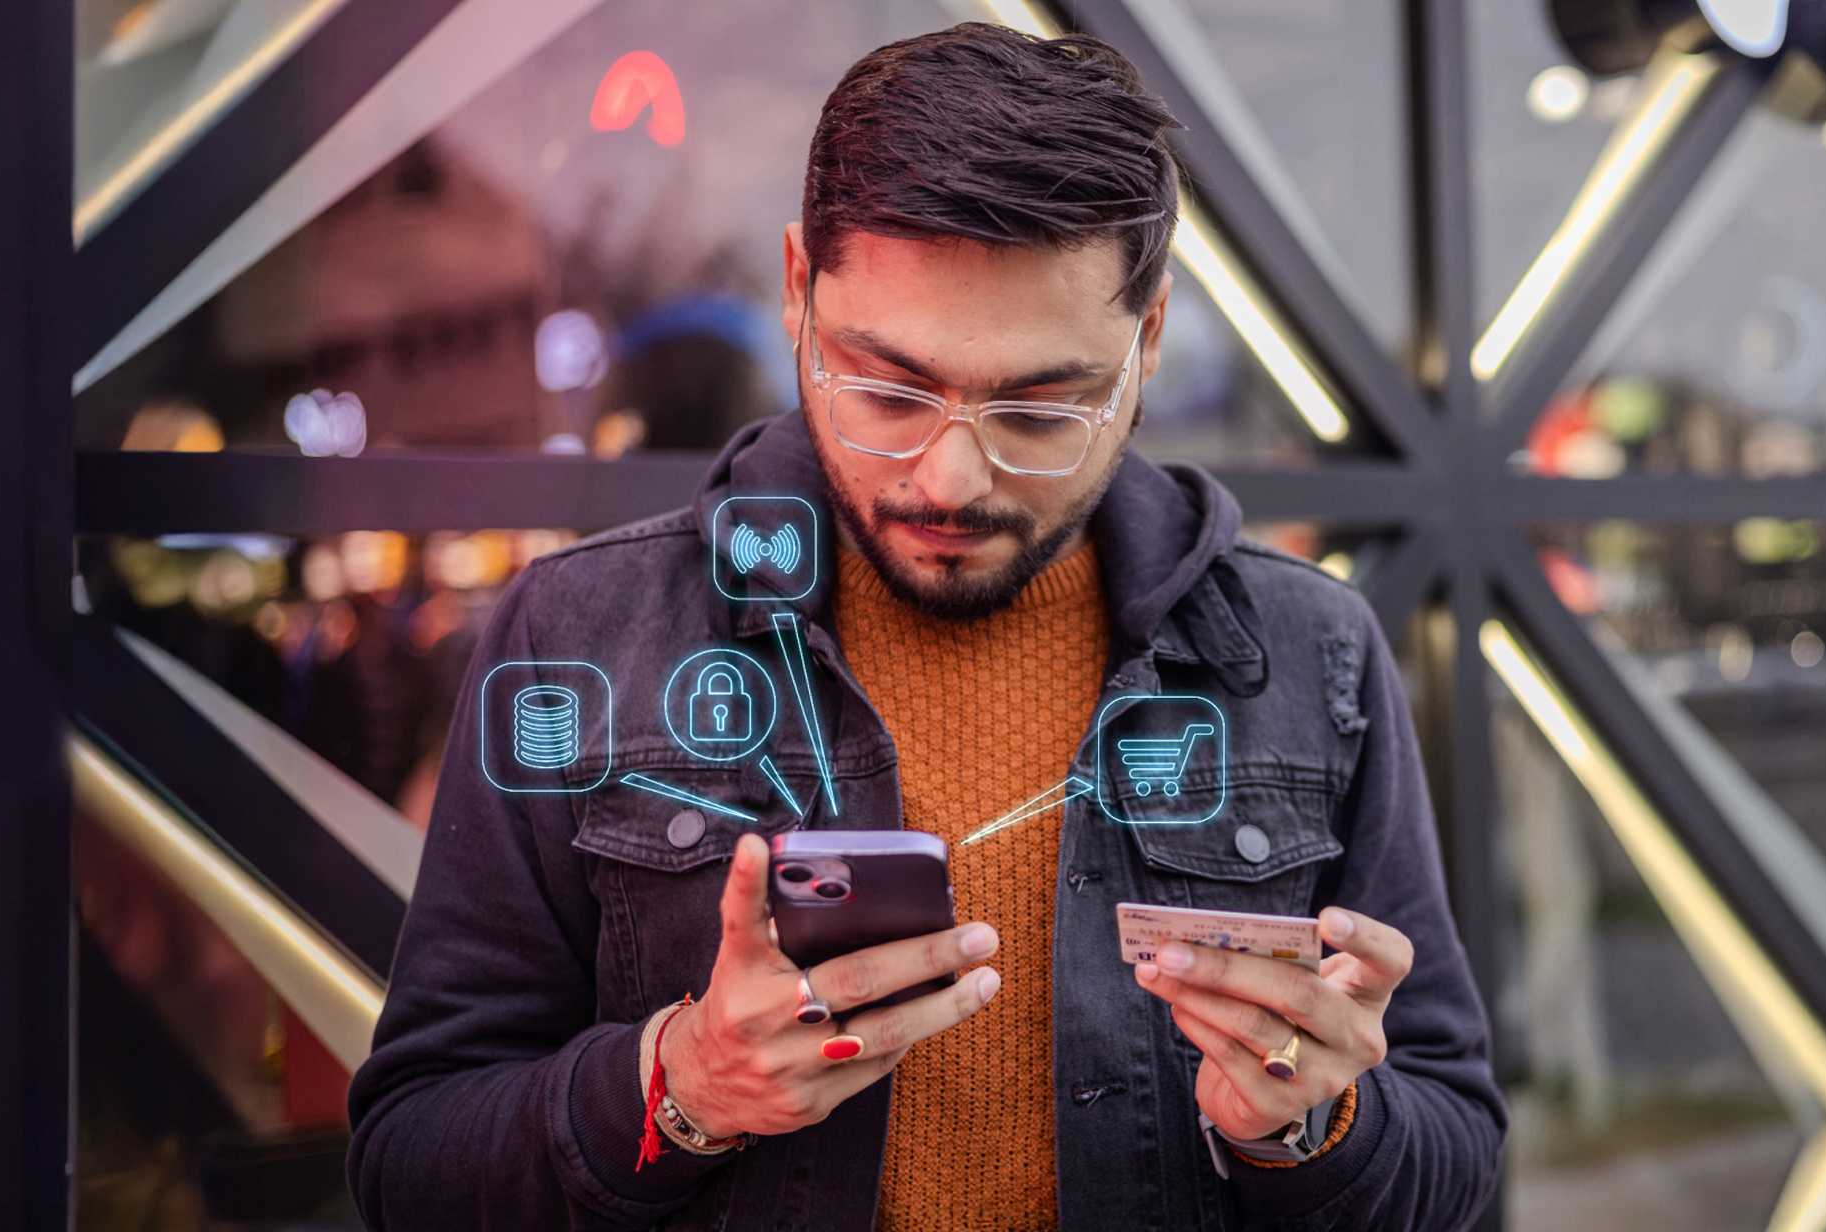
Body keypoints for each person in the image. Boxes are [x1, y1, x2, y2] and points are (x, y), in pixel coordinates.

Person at [348, 23, 1503, 1231]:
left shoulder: (1311, 651)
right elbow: (412, 1159)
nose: (951, 479)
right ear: (798, 287)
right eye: (889, 390)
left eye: (1041, 409)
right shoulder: (575, 633)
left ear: (1149, 340)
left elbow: (1455, 1143)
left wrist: (1311, 1122)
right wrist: (682, 1088)